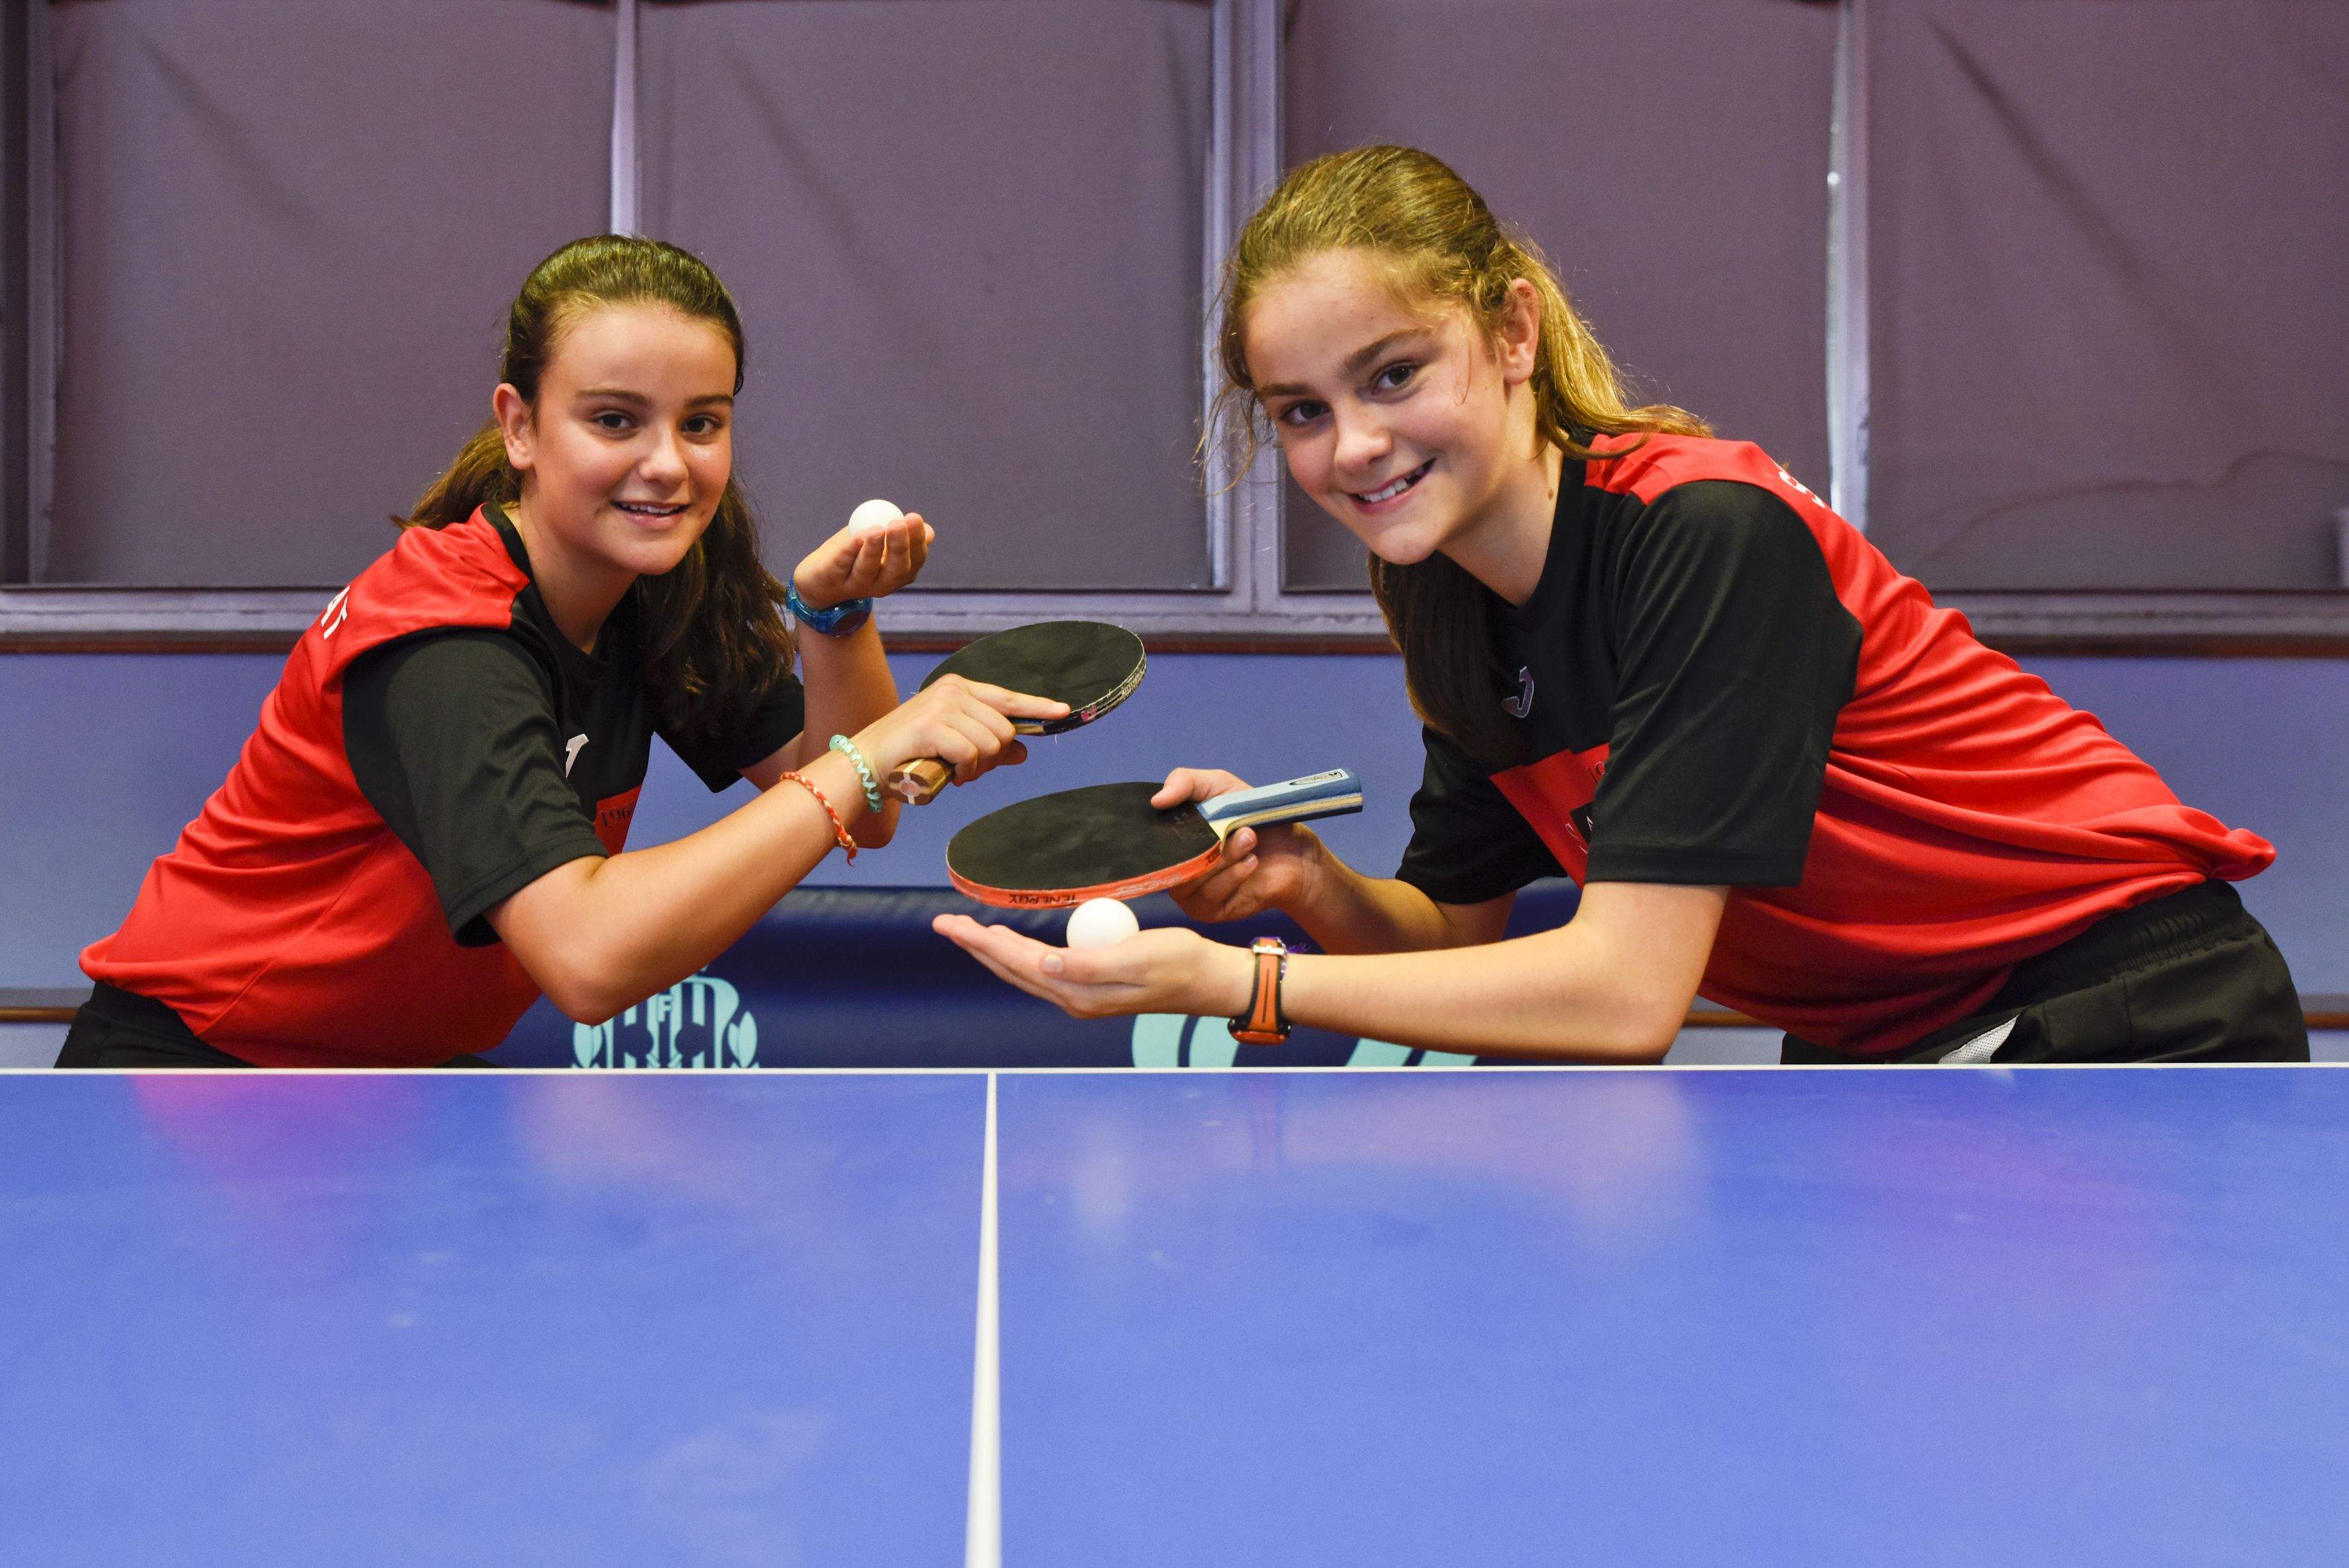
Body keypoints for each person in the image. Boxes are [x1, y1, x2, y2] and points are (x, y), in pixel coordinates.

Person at [937, 145, 2305, 1064]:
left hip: (2123, 1003)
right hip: (1892, 1043)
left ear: (1514, 334)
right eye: (1302, 410)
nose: (1351, 445)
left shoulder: (1703, 536)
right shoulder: (1449, 607)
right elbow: (1455, 937)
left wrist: (1246, 985)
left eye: (1392, 374)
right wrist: (1312, 890)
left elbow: (1622, 993)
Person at [66, 235, 1059, 1067]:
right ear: (522, 427)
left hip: (400, 1083)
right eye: (615, 419)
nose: (668, 464)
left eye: (702, 422)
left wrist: (835, 622)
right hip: (201, 1075)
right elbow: (587, 960)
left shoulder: (666, 589)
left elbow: (860, 810)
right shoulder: (442, 639)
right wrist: (866, 758)